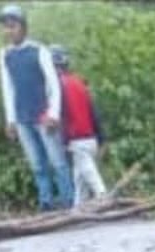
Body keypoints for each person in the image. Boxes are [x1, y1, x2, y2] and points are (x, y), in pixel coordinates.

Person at [0, 3, 73, 210]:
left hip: (43, 115)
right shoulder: (5, 55)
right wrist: (10, 120)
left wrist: (53, 114)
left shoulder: (39, 50)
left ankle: (68, 202)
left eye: (13, 26)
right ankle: (46, 202)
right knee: (37, 165)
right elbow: (8, 89)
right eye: (6, 27)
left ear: (22, 26)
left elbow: (53, 84)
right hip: (22, 118)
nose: (9, 30)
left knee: (57, 161)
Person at [50, 45, 106, 205]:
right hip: (90, 137)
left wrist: (64, 139)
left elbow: (63, 115)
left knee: (87, 170)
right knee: (79, 175)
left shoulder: (57, 87)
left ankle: (103, 195)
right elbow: (93, 111)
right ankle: (78, 207)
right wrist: (102, 137)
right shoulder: (80, 82)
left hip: (76, 138)